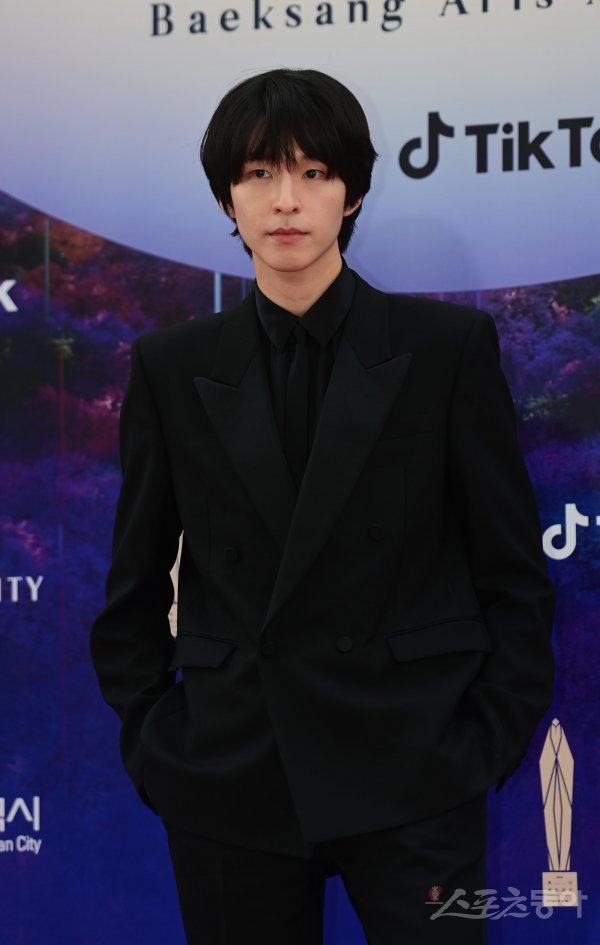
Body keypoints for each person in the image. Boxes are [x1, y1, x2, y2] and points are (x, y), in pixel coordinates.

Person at [90, 68, 555, 944]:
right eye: (259, 173)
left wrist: (483, 741)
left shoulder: (446, 350)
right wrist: (160, 748)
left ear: (353, 192)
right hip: (232, 776)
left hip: (415, 769)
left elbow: (513, 573)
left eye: (313, 172)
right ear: (227, 198)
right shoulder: (171, 366)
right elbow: (134, 585)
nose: (286, 200)